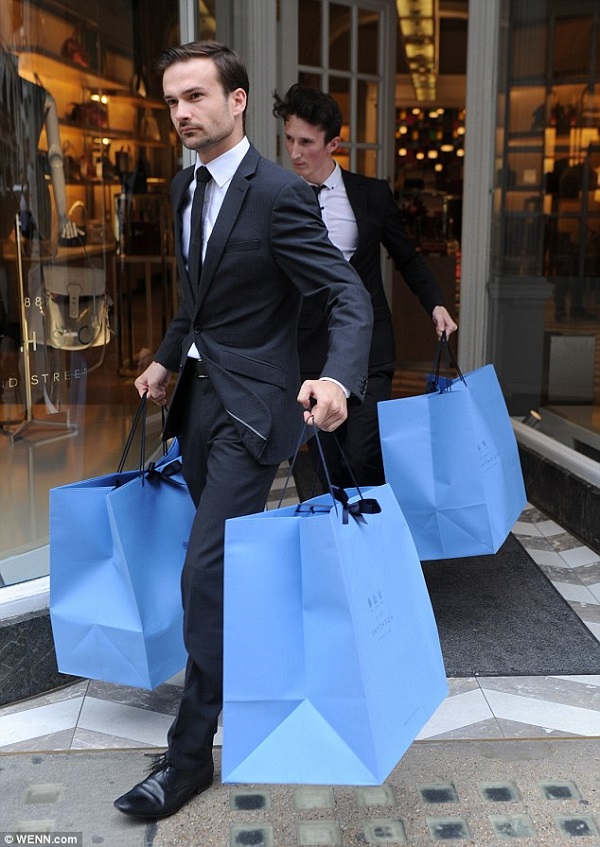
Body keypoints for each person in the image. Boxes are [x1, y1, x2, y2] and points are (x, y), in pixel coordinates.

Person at [114, 41, 372, 819]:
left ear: (236, 102)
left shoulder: (279, 194)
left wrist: (337, 379)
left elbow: (348, 296)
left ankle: (190, 754)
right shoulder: (182, 188)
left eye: (196, 96)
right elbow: (196, 299)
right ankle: (258, 687)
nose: (182, 114)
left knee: (204, 571)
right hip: (197, 403)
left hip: (256, 414)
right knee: (221, 573)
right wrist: (165, 361)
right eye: (171, 102)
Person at [272, 84, 457, 488]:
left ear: (333, 143)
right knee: (324, 458)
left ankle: (373, 533)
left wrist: (435, 304)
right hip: (308, 350)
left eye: (307, 142)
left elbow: (406, 256)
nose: (295, 152)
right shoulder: (276, 197)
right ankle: (335, 537)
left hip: (370, 346)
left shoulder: (371, 194)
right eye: (289, 140)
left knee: (362, 453)